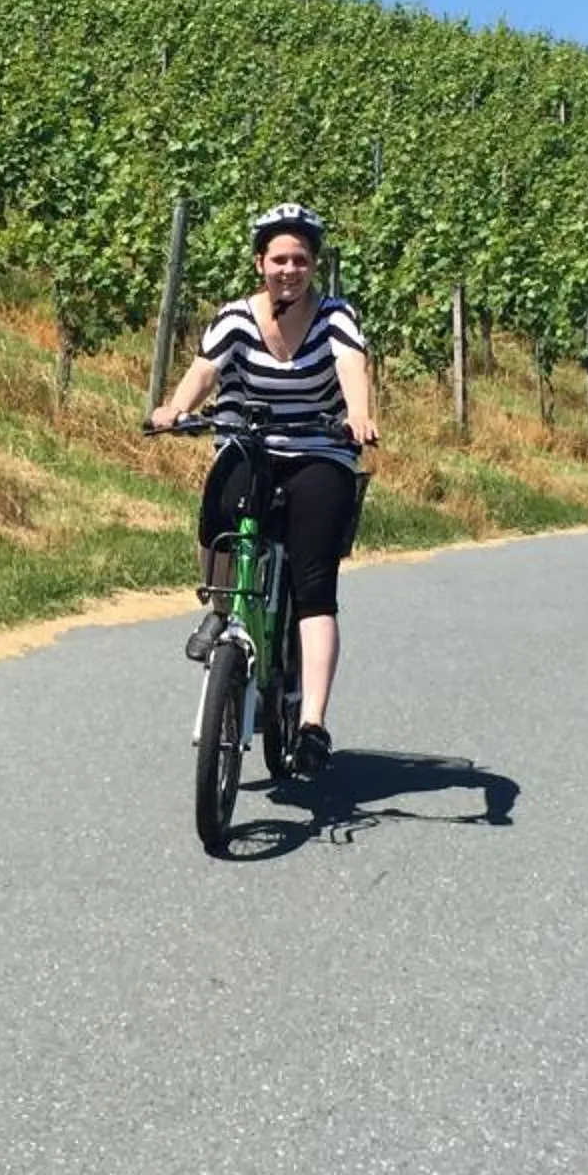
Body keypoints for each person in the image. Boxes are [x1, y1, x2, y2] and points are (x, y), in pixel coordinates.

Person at [147, 202, 379, 776]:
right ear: (260, 263)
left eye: (300, 259)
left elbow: (352, 364)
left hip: (318, 452)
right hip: (250, 446)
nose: (289, 269)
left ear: (313, 266)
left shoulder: (335, 316)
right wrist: (178, 408)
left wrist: (358, 415)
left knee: (314, 582)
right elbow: (205, 370)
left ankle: (312, 724)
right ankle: (220, 608)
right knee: (219, 514)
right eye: (279, 258)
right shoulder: (235, 318)